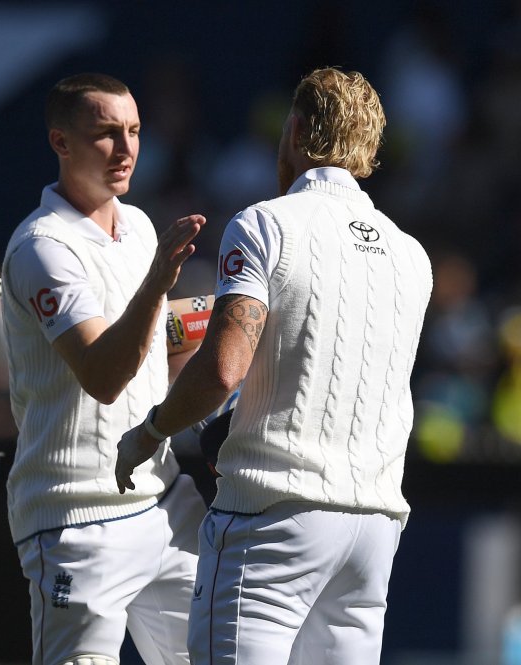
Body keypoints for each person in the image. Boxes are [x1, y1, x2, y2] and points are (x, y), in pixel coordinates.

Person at [115, 67, 434, 664]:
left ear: (293, 130)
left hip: (273, 520)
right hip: (372, 532)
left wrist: (148, 432)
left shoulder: (263, 224)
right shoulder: (412, 256)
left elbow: (222, 369)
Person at [1, 72, 208, 665]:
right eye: (106, 134)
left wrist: (239, 313)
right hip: (75, 518)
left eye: (135, 131)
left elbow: (157, 336)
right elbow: (103, 373)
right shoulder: (43, 246)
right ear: (60, 142)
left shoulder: (140, 227)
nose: (126, 150)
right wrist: (158, 282)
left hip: (164, 499)